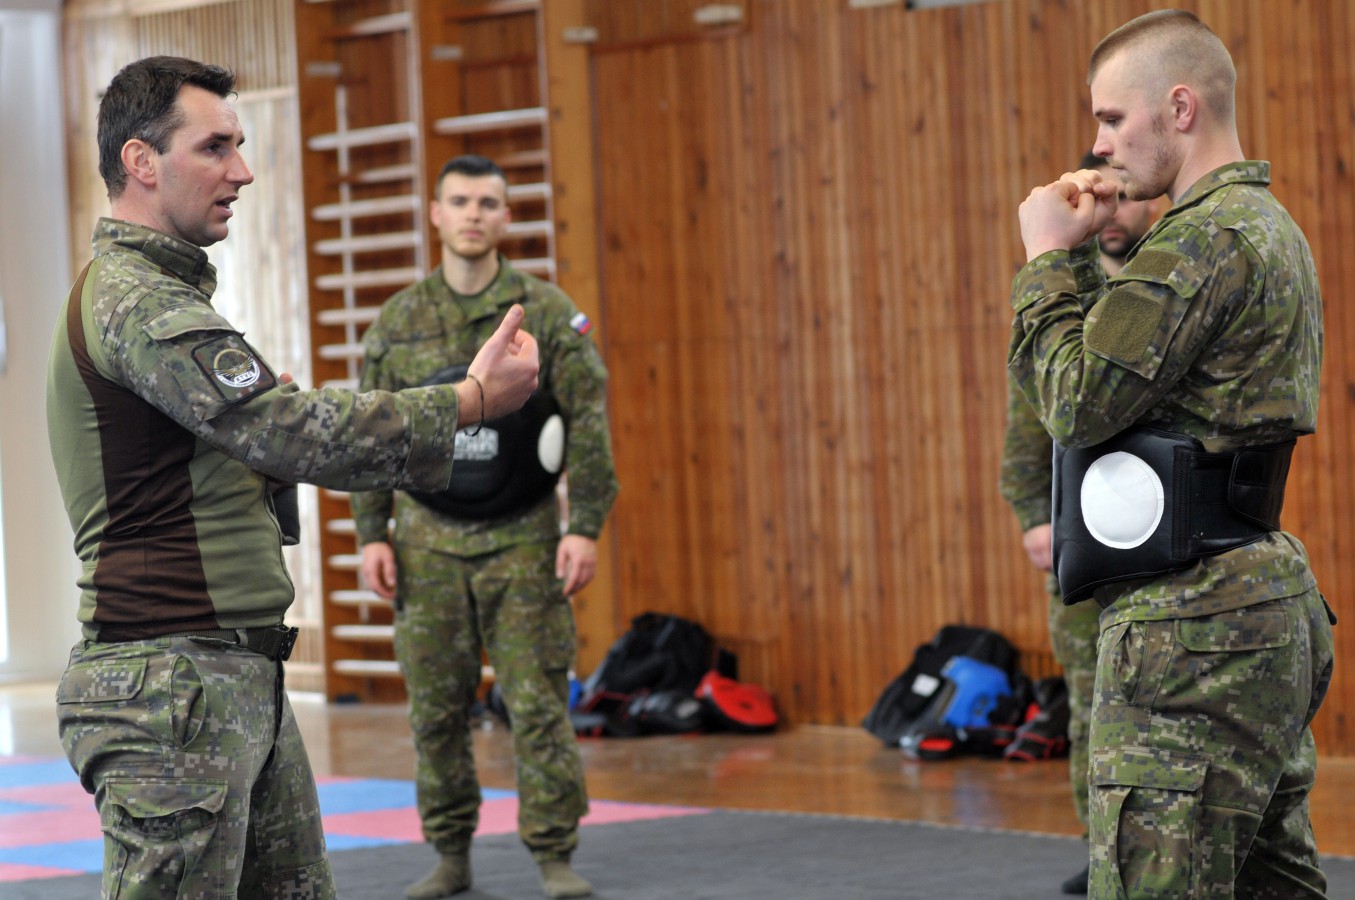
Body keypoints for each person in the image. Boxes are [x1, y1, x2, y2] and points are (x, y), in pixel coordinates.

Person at [46, 57, 539, 898]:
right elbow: (287, 433)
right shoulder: (138, 301)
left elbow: (258, 439)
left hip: (228, 674)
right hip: (172, 682)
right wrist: (469, 402)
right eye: (215, 147)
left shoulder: (165, 294)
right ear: (141, 161)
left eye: (238, 146)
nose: (241, 171)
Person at [1009, 10, 1335, 898]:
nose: (1099, 143)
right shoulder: (1263, 225)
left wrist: (1045, 257)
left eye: (1113, 118)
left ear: (1179, 108)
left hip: (1191, 627)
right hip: (1252, 601)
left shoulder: (1200, 238)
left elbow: (1074, 403)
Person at [352, 154, 618, 900]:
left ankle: (554, 853)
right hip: (426, 543)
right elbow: (372, 432)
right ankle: (449, 854)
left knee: (536, 704)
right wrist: (371, 533)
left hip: (524, 538)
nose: (474, 214)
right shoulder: (398, 323)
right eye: (461, 201)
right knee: (436, 712)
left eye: (488, 203)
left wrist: (584, 525)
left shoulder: (547, 313)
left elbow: (587, 422)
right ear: (436, 214)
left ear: (507, 216)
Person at [999, 150, 1160, 896]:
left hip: (1156, 534)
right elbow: (1027, 424)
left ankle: (1149, 852)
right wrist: (1034, 515)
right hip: (1080, 542)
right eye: (1100, 198)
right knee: (1090, 705)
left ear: (1151, 203)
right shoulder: (1057, 296)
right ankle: (1100, 849)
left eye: (1126, 196)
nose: (1113, 212)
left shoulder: (1168, 285)